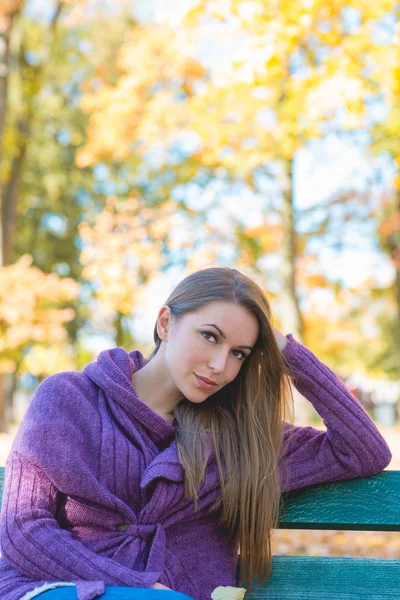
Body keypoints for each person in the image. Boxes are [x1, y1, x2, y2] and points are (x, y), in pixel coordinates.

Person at [0, 267, 392, 600]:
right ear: (166, 323)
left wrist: (285, 350)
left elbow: (364, 450)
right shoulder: (70, 399)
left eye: (240, 352)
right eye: (210, 336)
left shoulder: (240, 436)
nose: (220, 365)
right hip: (62, 589)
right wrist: (141, 587)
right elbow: (23, 528)